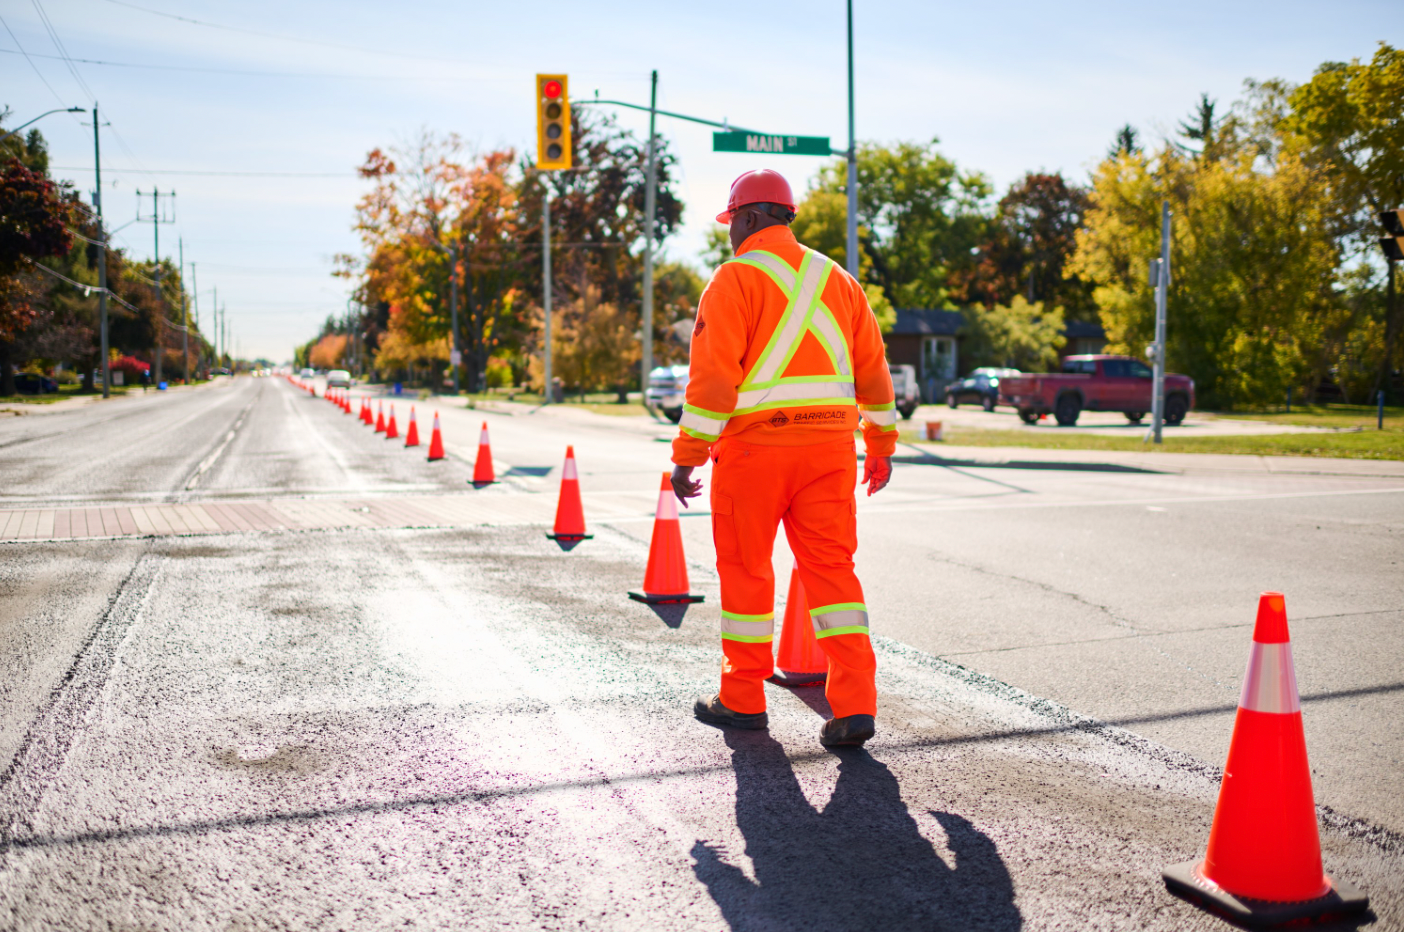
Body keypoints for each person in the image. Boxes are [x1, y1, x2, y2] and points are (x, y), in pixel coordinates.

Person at [671, 169, 896, 748]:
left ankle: (743, 699)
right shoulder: (839, 280)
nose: (729, 234)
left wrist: (687, 457)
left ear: (746, 218)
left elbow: (713, 384)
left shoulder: (734, 279)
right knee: (832, 573)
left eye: (730, 222)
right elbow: (873, 371)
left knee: (747, 574)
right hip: (828, 453)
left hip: (754, 455)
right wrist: (880, 446)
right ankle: (855, 704)